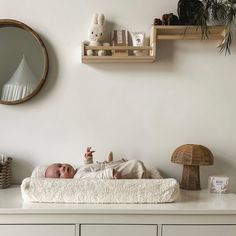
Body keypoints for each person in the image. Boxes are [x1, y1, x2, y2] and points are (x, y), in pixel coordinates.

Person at [45, 147, 151, 179]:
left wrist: (88, 159)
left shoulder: (78, 171)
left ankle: (109, 161)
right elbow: (95, 176)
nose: (62, 168)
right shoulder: (79, 177)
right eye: (59, 173)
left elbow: (88, 168)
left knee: (119, 163)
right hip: (113, 173)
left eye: (60, 165)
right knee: (137, 164)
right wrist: (110, 173)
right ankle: (144, 176)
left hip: (106, 167)